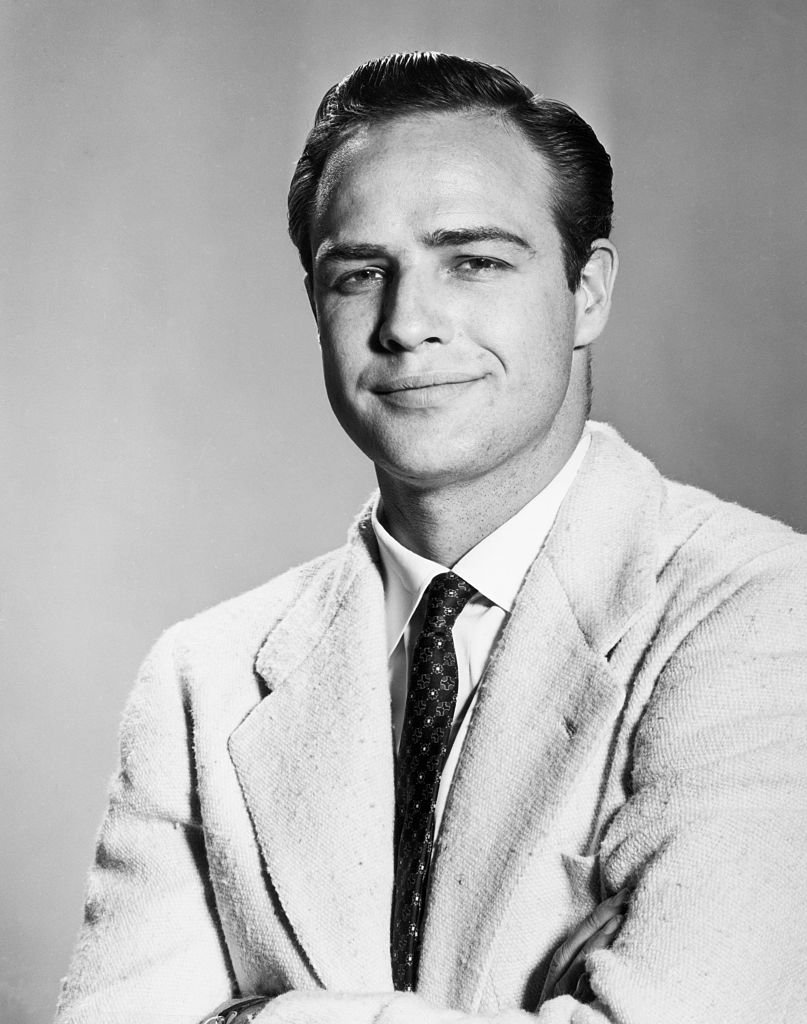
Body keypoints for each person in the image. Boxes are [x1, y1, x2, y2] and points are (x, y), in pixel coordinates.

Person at [55, 52, 807, 1024]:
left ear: (589, 293)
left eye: (475, 261)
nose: (408, 323)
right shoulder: (202, 676)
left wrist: (253, 1014)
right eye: (360, 273)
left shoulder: (762, 607)